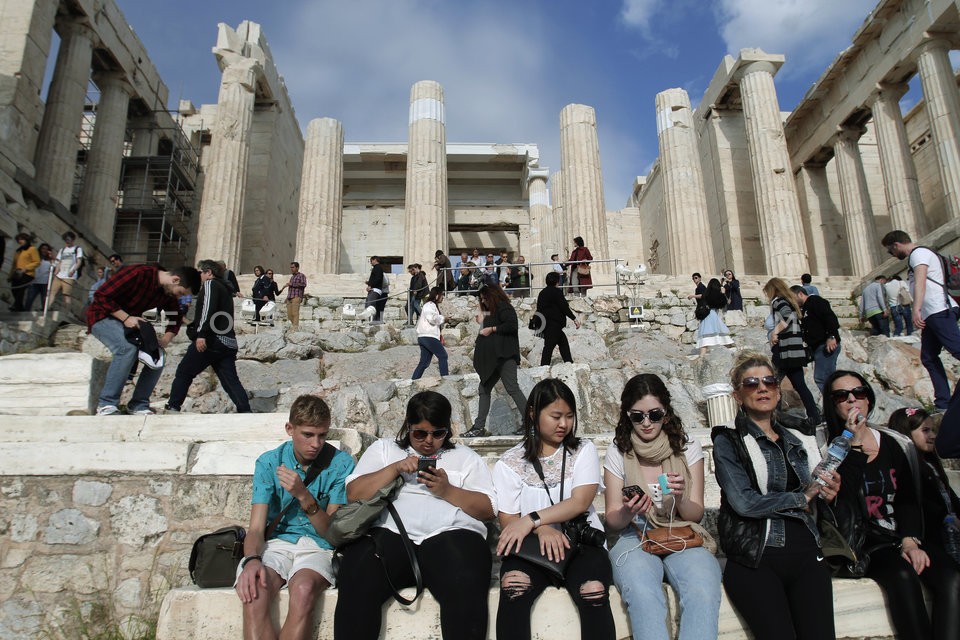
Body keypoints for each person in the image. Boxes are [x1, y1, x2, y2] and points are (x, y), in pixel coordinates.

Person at [334, 391, 495, 640]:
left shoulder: (465, 458)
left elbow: (487, 509)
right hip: (390, 534)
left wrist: (447, 490)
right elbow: (354, 493)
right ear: (408, 427)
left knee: (466, 581)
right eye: (420, 433)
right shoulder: (385, 450)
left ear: (447, 431)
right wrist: (395, 468)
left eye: (437, 433)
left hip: (451, 535)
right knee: (356, 575)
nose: (428, 441)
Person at [712, 351, 841, 640]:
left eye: (769, 381)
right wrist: (801, 498)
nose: (762, 388)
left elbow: (817, 492)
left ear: (777, 390)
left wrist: (828, 493)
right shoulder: (728, 440)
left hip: (808, 552)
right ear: (737, 395)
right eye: (751, 383)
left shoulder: (801, 435)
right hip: (757, 557)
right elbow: (744, 502)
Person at [825, 370, 959, 638]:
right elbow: (846, 500)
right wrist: (851, 443)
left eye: (859, 393)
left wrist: (909, 540)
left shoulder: (896, 443)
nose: (853, 400)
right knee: (903, 576)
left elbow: (909, 498)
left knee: (952, 578)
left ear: (868, 398)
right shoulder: (829, 446)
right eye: (843, 395)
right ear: (833, 403)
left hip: (901, 533)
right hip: (865, 542)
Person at [493, 378, 616, 640]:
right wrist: (542, 529)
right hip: (531, 550)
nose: (564, 424)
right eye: (556, 416)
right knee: (514, 585)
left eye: (569, 416)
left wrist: (533, 519)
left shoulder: (583, 450)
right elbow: (509, 521)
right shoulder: (510, 462)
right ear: (533, 413)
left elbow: (580, 501)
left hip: (581, 545)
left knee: (592, 590)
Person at [604, 373, 721, 640]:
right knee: (643, 592)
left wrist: (680, 498)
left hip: (680, 530)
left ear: (666, 413)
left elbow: (696, 514)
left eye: (654, 415)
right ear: (627, 415)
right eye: (637, 416)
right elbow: (612, 519)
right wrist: (629, 510)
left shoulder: (687, 447)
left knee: (703, 587)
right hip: (635, 534)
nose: (646, 423)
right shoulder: (618, 450)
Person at [236, 394, 355, 640]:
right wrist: (252, 560)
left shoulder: (341, 464)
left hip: (318, 546)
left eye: (322, 435)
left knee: (303, 589)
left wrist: (303, 496)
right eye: (308, 435)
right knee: (255, 588)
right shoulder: (270, 462)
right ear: (290, 429)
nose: (316, 443)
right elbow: (257, 529)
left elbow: (331, 533)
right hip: (277, 543)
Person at [87, 264, 201, 416]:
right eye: (180, 293)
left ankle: (138, 404)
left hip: (130, 324)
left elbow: (176, 316)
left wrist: (166, 338)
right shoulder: (138, 273)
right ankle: (107, 404)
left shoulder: (166, 293)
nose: (179, 297)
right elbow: (101, 296)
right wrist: (126, 318)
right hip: (102, 317)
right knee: (126, 348)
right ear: (175, 279)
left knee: (158, 355)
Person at [882, 230, 960, 412]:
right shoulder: (919, 255)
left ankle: (944, 402)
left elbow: (920, 281)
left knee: (957, 349)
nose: (892, 255)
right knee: (928, 357)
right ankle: (943, 402)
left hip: (938, 309)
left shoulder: (919, 254)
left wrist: (916, 309)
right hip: (933, 313)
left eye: (890, 251)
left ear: (896, 245)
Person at [166, 259, 251, 414]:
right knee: (230, 381)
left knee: (184, 371)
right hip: (228, 342)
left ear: (209, 272)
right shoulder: (225, 288)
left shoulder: (211, 285)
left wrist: (201, 334)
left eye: (200, 272)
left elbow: (208, 310)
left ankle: (173, 406)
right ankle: (245, 411)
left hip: (212, 339)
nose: (199, 276)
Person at [888, 407, 960, 568]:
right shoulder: (907, 468)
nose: (933, 436)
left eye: (933, 430)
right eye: (925, 430)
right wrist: (948, 518)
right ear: (906, 433)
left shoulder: (931, 464)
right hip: (929, 538)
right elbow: (921, 504)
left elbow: (950, 498)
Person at [462, 284, 528, 437]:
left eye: (485, 298)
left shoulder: (504, 307)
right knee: (484, 389)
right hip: (493, 359)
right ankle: (478, 427)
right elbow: (486, 328)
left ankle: (530, 423)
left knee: (512, 388)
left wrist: (492, 329)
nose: (483, 301)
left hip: (504, 356)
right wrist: (484, 321)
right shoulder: (491, 312)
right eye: (481, 299)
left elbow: (511, 326)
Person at [764, 277, 821, 425]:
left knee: (772, 383)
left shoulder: (778, 301)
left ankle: (774, 417)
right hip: (795, 351)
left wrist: (775, 332)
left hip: (785, 351)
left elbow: (787, 318)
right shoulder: (790, 301)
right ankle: (814, 416)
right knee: (800, 385)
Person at [792, 285, 842, 393]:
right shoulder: (805, 308)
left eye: (793, 297)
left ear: (800, 294)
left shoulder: (815, 301)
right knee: (825, 378)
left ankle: (834, 404)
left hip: (825, 345)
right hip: (818, 347)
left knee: (823, 378)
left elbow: (830, 318)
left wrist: (831, 336)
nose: (792, 301)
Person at [534, 271, 579, 366]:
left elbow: (539, 309)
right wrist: (574, 318)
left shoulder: (542, 293)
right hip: (554, 324)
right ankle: (544, 367)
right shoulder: (557, 292)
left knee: (563, 343)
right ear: (557, 281)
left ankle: (568, 363)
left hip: (546, 324)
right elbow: (564, 307)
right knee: (549, 347)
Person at [411, 287, 448, 380]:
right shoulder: (429, 305)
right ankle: (446, 379)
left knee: (424, 363)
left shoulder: (432, 305)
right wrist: (444, 319)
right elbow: (432, 318)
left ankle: (414, 381)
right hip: (429, 336)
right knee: (443, 356)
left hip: (424, 337)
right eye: (441, 295)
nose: (442, 297)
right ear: (436, 296)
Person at [48, 231, 84, 314]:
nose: (67, 241)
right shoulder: (62, 250)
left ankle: (66, 312)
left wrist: (73, 270)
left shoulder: (77, 249)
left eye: (68, 239)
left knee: (66, 294)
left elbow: (79, 261)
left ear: (72, 239)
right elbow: (59, 262)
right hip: (60, 275)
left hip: (69, 275)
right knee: (52, 292)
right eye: (65, 240)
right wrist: (56, 272)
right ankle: (47, 308)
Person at [696, 278, 733, 356]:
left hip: (705, 316)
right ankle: (729, 350)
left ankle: (702, 355)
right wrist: (723, 294)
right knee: (721, 333)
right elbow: (722, 304)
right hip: (713, 314)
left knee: (705, 335)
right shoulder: (717, 294)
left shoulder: (706, 293)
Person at [8, 232, 40, 312]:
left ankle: (16, 306)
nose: (20, 241)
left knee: (20, 290)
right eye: (18, 240)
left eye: (22, 239)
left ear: (26, 240)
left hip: (27, 274)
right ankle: (20, 308)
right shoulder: (18, 251)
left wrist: (26, 268)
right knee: (14, 290)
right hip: (17, 273)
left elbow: (37, 262)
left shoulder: (32, 249)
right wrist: (10, 275)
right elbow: (14, 264)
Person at [24, 243, 53, 312]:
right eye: (43, 248)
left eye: (46, 249)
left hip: (45, 283)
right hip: (34, 282)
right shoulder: (35, 258)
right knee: (29, 299)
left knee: (44, 301)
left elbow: (55, 265)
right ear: (40, 249)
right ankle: (25, 314)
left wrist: (51, 255)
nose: (44, 250)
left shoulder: (50, 260)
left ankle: (44, 315)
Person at [279, 261, 307, 330]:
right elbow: (290, 289)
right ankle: (294, 326)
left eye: (293, 267)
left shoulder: (301, 275)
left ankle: (295, 327)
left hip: (296, 297)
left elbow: (304, 284)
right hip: (290, 297)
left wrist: (293, 284)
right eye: (291, 267)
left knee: (295, 313)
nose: (291, 269)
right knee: (289, 315)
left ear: (297, 268)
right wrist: (287, 297)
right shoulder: (292, 277)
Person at [364, 256, 387, 323]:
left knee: (371, 305)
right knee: (370, 305)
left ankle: (374, 321)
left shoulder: (378, 268)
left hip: (375, 290)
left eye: (371, 261)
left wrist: (371, 285)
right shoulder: (377, 268)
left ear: (375, 260)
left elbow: (378, 279)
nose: (370, 263)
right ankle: (374, 320)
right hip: (374, 289)